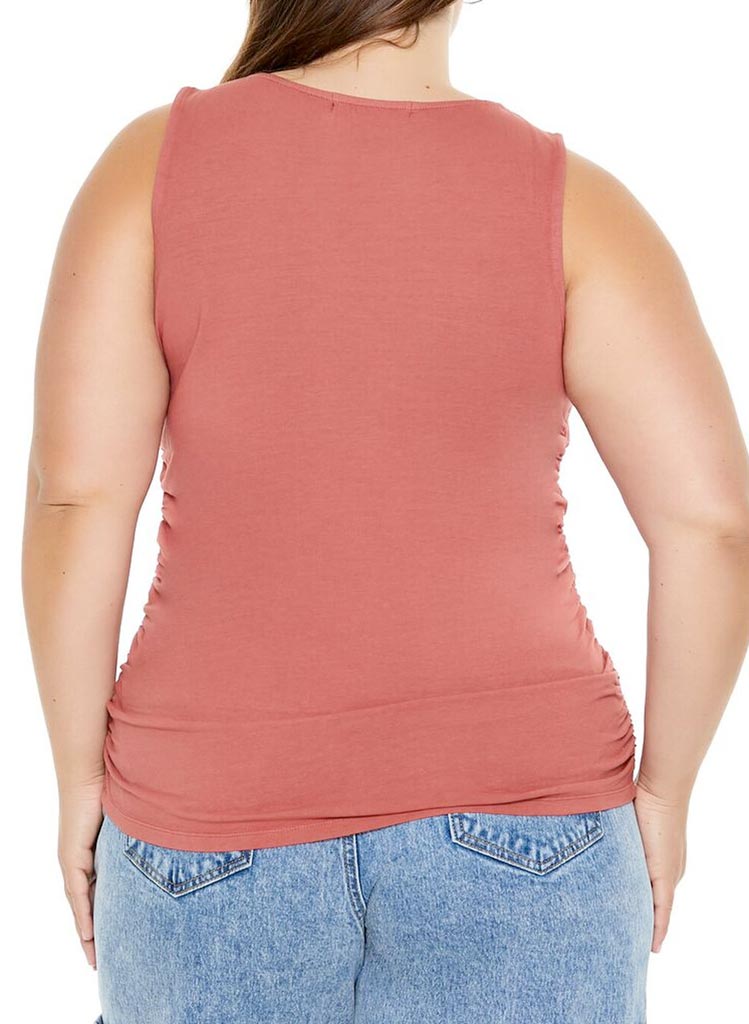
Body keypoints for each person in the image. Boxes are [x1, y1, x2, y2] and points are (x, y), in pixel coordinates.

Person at [22, 2, 749, 1022]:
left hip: (207, 819)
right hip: (531, 821)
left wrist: (75, 779)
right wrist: (665, 793)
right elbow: (711, 523)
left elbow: (76, 494)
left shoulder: (153, 169)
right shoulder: (571, 202)